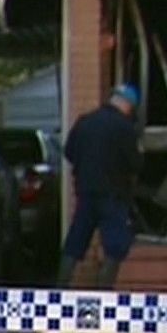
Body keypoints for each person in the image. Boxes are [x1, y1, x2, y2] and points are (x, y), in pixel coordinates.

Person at [55, 83, 143, 290]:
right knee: (115, 246)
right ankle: (104, 292)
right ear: (127, 105)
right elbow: (136, 164)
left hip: (85, 192)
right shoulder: (124, 127)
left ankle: (60, 290)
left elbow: (69, 152)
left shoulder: (85, 122)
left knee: (75, 243)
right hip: (113, 195)